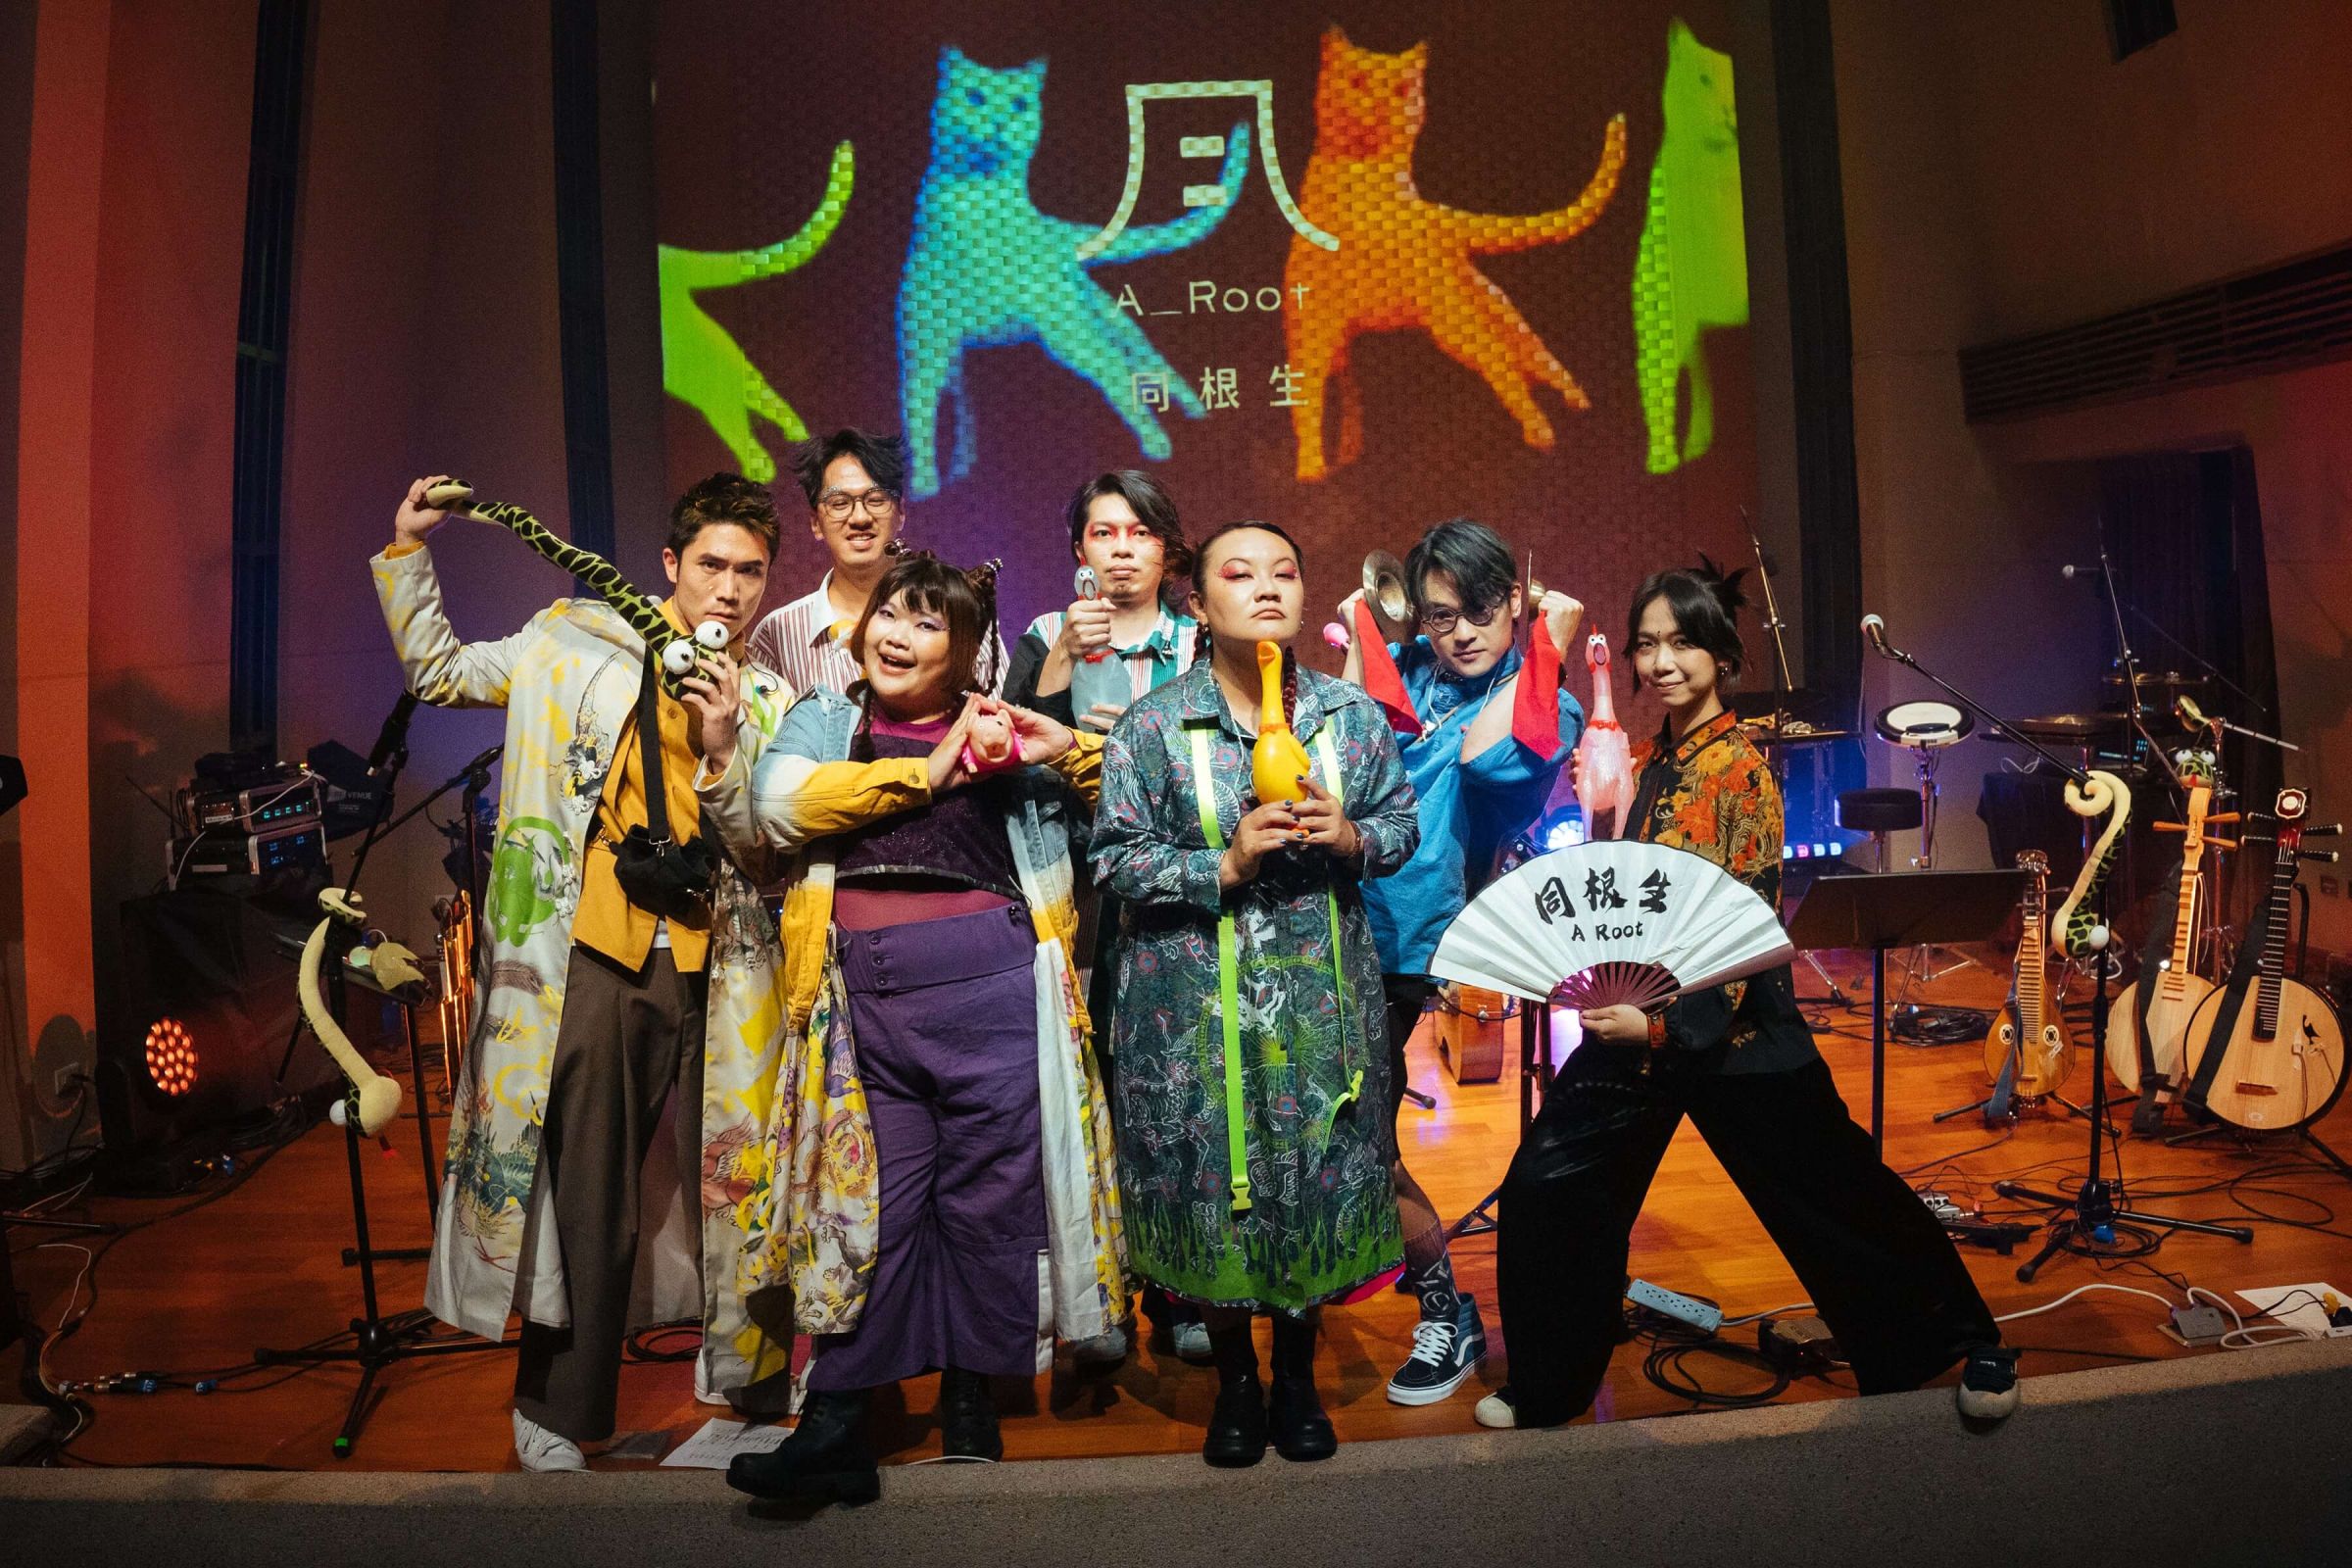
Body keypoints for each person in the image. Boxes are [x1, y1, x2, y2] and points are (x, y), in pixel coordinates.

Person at [1479, 562, 2020, 1431]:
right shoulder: (1647, 760)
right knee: (1551, 1185)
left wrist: (1658, 1027)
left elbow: (1738, 931)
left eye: (1682, 642)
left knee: (1836, 1191)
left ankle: (1966, 1342)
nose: (1662, 661)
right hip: (1635, 1025)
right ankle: (1547, 1384)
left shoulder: (1741, 775)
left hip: (1734, 1032)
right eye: (1647, 643)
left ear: (1723, 657)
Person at [372, 472, 800, 1472]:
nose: (730, 588)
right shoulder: (573, 640)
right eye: (712, 565)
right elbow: (439, 671)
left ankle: (754, 1397)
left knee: (744, 1180)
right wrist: (408, 550)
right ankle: (560, 1411)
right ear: (671, 563)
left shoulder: (770, 697)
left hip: (727, 964)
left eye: (750, 571)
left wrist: (725, 740)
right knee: (588, 1189)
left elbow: (767, 844)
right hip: (595, 952)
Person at [707, 551, 1125, 1505]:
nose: (897, 634)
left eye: (928, 622)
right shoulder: (828, 717)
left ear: (966, 650)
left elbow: (1127, 803)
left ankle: (971, 1394)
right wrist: (930, 773)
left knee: (987, 1202)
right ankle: (839, 1420)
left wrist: (1063, 746)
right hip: (864, 1002)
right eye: (890, 614)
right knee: (871, 1210)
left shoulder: (998, 724)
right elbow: (778, 808)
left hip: (991, 993)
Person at [1091, 521, 1420, 1468]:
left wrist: (1352, 838)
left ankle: (1298, 1376)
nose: (1267, 587)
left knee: (1313, 1171)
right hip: (1193, 1001)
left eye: (1285, 572)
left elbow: (1402, 826)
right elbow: (1112, 859)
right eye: (1239, 574)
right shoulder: (1156, 726)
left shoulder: (1350, 718)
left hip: (1320, 1001)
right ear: (1198, 601)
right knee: (1214, 1184)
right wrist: (1222, 864)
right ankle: (1237, 1379)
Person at [1339, 518, 1586, 1406]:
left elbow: (1489, 762)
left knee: (1362, 1138)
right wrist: (1363, 635)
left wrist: (1547, 645)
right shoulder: (1405, 669)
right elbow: (1340, 752)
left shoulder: (1547, 699)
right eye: (1441, 616)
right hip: (1329, 921)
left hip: (1415, 940)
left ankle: (1447, 1310)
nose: (1463, 632)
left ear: (1515, 601)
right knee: (1327, 1125)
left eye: (1482, 609)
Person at [1003, 470, 1209, 1365]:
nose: (1122, 550)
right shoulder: (1044, 633)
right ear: (1079, 549)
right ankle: (1098, 1293)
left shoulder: (1200, 640)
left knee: (1179, 1086)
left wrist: (1137, 743)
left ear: (1167, 550)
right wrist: (1058, 662)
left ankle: (1184, 1290)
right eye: (1103, 532)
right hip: (1073, 890)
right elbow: (1009, 753)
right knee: (1088, 1086)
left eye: (1140, 533)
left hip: (1174, 886)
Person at [749, 427, 1004, 696]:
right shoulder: (777, 634)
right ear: (816, 523)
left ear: (901, 512)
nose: (860, 518)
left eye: (876, 500)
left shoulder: (962, 611)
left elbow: (1001, 714)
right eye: (839, 503)